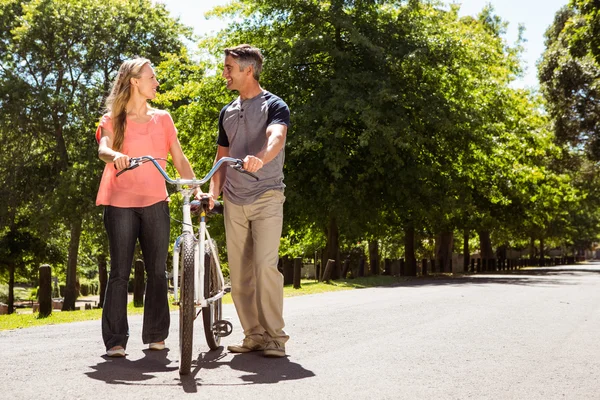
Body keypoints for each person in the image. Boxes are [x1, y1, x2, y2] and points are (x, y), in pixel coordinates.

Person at [96, 58, 196, 357]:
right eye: (151, 77)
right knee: (119, 272)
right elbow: (103, 148)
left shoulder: (163, 118)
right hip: (120, 203)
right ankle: (115, 341)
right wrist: (116, 156)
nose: (156, 82)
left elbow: (178, 158)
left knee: (157, 271)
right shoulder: (111, 119)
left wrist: (196, 186)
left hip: (155, 201)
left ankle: (155, 334)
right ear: (134, 81)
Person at [204, 44, 290, 357]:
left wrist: (261, 158)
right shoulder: (227, 112)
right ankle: (254, 335)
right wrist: (213, 194)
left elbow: (276, 138)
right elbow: (221, 159)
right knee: (239, 275)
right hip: (235, 199)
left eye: (229, 67)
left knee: (265, 265)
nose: (224, 73)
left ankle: (275, 337)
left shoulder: (274, 104)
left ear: (248, 70)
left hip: (267, 194)